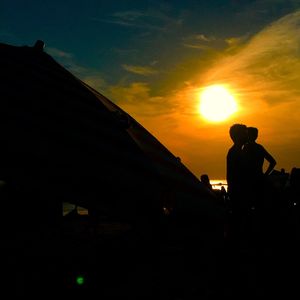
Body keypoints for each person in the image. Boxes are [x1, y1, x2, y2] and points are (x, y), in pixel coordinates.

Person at [226, 124, 249, 240]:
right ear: (238, 136)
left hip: (238, 191)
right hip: (239, 192)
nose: (247, 136)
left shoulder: (238, 151)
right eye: (244, 134)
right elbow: (234, 175)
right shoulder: (235, 152)